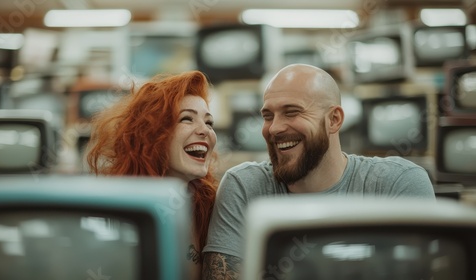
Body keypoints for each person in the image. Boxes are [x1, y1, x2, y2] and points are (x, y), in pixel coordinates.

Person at [201, 64, 436, 279]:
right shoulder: (245, 186)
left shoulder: (397, 183)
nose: (275, 128)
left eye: (292, 112)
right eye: (268, 116)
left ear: (334, 120)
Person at [86, 70, 218, 279]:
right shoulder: (117, 212)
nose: (205, 130)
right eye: (187, 119)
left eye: (209, 122)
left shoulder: (213, 206)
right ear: (153, 134)